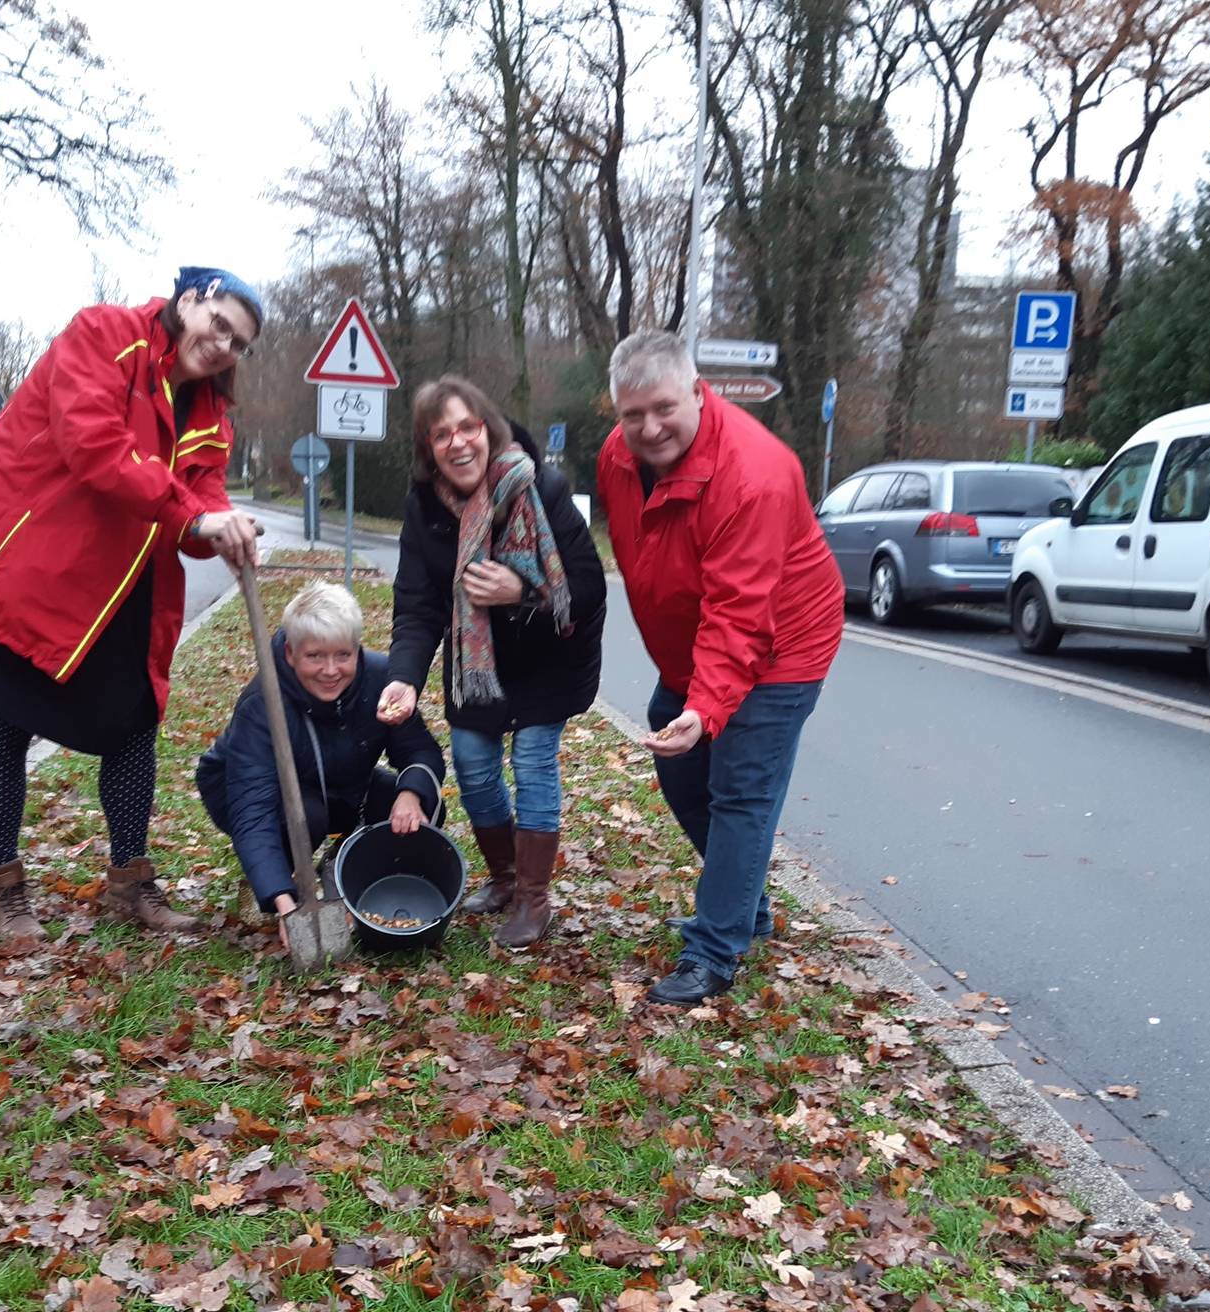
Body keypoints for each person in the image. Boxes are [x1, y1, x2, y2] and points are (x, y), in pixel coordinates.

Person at [0, 266, 265, 944]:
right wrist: (193, 517)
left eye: (238, 343)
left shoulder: (209, 410)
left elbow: (205, 492)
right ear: (190, 298)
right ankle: (4, 889)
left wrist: (224, 525)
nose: (222, 344)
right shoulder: (102, 335)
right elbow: (94, 446)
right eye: (218, 322)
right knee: (8, 723)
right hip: (30, 566)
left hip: (126, 583)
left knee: (136, 726)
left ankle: (131, 884)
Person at [595, 329, 844, 1005]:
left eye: (664, 408)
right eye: (631, 413)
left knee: (741, 787)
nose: (648, 428)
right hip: (696, 642)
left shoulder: (754, 474)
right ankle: (745, 901)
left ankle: (714, 951)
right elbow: (641, 557)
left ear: (698, 393)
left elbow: (741, 612)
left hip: (785, 639)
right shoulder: (617, 459)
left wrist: (705, 709)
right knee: (678, 761)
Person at [378, 377, 607, 948]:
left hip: (550, 653)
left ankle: (533, 899)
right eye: (441, 434)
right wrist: (404, 676)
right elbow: (417, 605)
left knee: (532, 760)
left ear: (489, 430)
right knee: (475, 766)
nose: (458, 443)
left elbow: (587, 585)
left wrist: (522, 590)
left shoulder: (542, 487)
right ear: (427, 448)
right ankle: (504, 880)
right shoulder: (425, 509)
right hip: (474, 661)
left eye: (468, 427)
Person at [198, 582, 446, 930]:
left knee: (424, 803)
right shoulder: (263, 704)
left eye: (342, 655)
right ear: (290, 653)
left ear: (356, 650)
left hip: (344, 780)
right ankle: (272, 879)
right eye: (315, 656)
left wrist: (410, 794)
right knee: (305, 816)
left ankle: (343, 862)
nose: (330, 671)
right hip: (257, 791)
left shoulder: (380, 680)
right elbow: (252, 811)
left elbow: (420, 748)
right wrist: (283, 905)